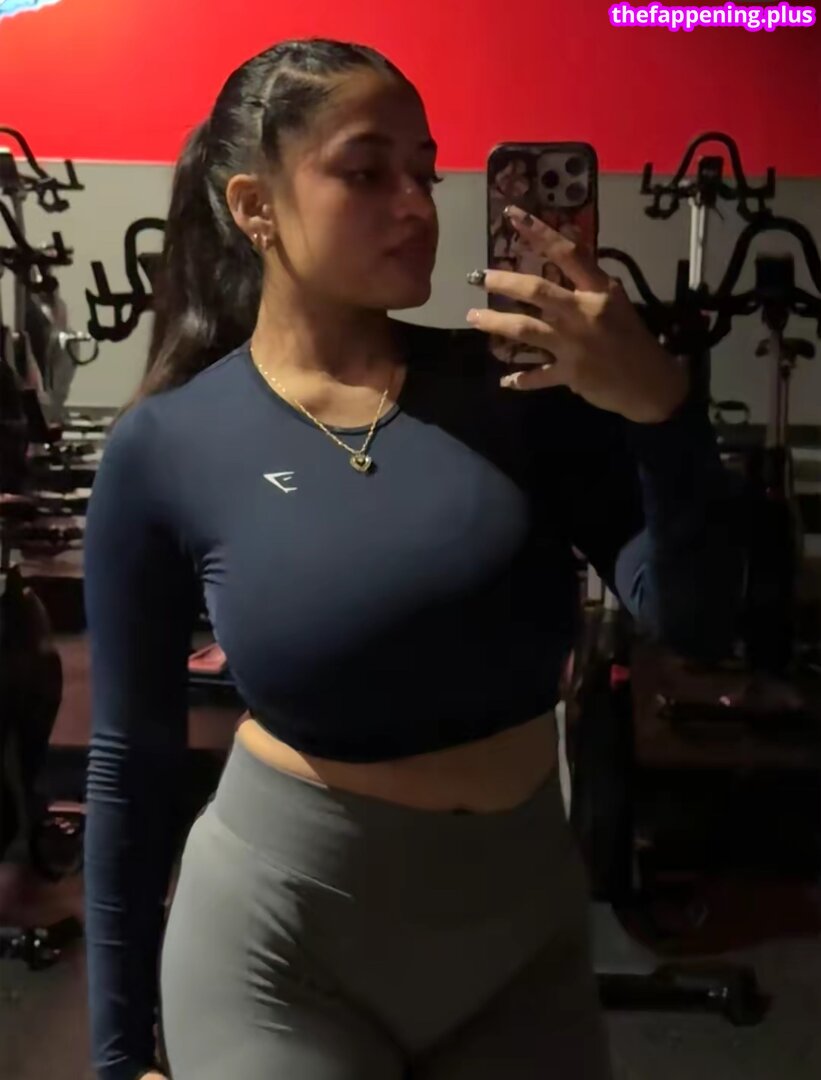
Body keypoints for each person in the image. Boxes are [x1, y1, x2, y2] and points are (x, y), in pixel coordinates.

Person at [82, 38, 742, 1080]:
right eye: (365, 171)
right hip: (281, 950)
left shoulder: (522, 395)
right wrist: (119, 1060)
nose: (416, 205)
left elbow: (697, 622)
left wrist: (660, 409)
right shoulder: (168, 446)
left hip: (519, 940)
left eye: (425, 172)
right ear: (255, 206)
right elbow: (131, 760)